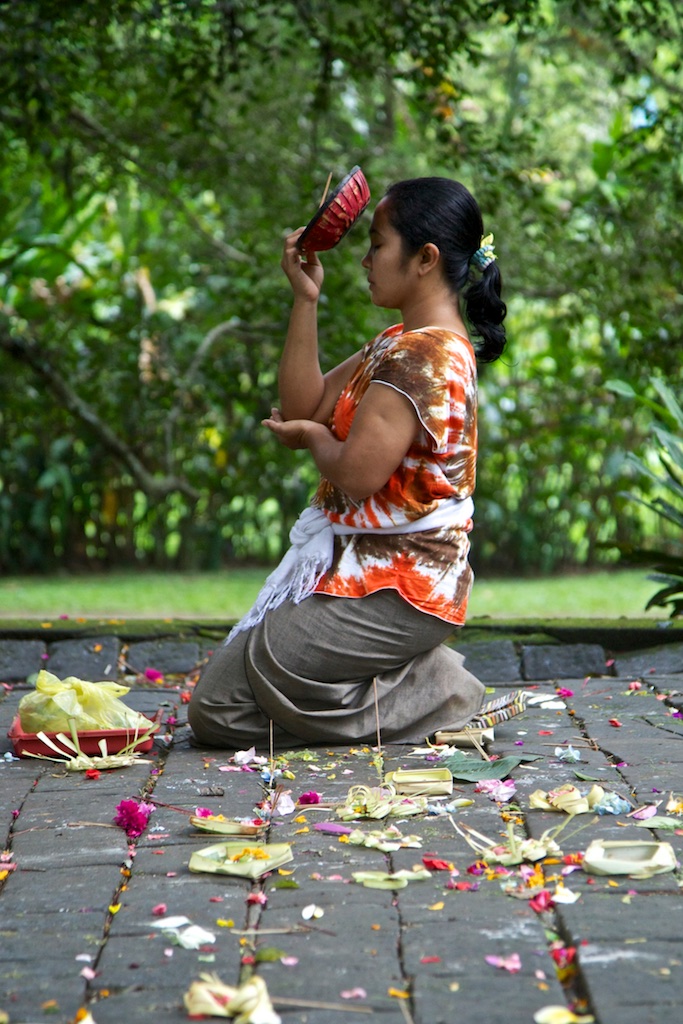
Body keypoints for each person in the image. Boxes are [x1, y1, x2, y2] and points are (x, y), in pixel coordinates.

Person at [188, 176, 507, 749]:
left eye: (378, 244)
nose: (364, 259)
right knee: (217, 711)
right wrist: (304, 300)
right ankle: (409, 687)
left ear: (425, 259)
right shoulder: (396, 343)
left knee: (227, 702)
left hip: (402, 585)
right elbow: (302, 405)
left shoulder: (425, 356)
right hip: (361, 571)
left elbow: (356, 476)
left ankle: (442, 692)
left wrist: (313, 436)